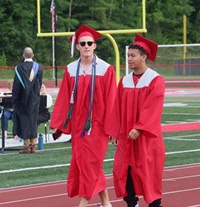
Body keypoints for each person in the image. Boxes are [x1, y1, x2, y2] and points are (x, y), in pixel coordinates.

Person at [50, 24, 117, 207]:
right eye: (83, 43)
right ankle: (106, 203)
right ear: (77, 46)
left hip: (99, 125)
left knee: (91, 162)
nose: (86, 46)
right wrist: (57, 122)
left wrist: (113, 128)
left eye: (90, 43)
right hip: (79, 125)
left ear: (95, 46)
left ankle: (83, 203)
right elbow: (64, 96)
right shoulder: (71, 69)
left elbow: (112, 100)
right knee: (84, 162)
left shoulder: (105, 69)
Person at [108, 34, 165, 207]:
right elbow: (116, 107)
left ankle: (155, 204)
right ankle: (132, 203)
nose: (129, 59)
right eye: (128, 56)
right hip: (126, 137)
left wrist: (140, 127)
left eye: (133, 55)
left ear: (144, 57)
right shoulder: (124, 81)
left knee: (148, 173)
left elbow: (153, 107)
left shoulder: (155, 80)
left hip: (147, 139)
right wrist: (115, 132)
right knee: (122, 171)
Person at [12, 47, 43, 154]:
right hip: (35, 98)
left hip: (23, 98)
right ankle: (33, 145)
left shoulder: (19, 68)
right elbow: (39, 83)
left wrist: (15, 99)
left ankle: (26, 146)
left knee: (24, 120)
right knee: (33, 120)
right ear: (33, 55)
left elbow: (16, 86)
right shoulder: (39, 67)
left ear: (23, 55)